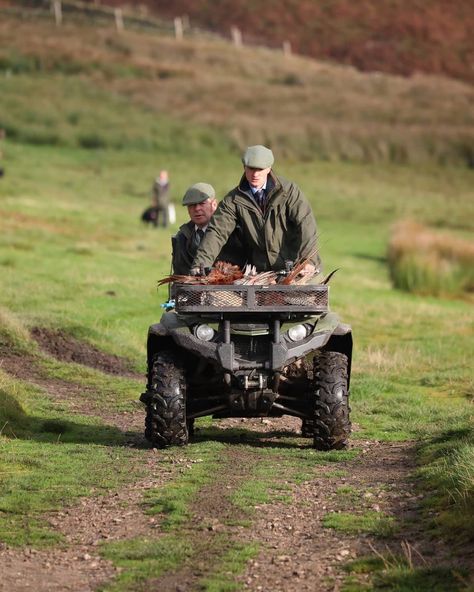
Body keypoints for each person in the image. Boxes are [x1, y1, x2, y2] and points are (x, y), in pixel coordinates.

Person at [191, 145, 321, 276]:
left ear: (269, 169)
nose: (255, 174)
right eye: (251, 169)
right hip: (260, 273)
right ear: (244, 168)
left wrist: (308, 261)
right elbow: (217, 231)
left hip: (296, 270)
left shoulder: (289, 192)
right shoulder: (233, 200)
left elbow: (306, 224)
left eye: (260, 169)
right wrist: (201, 264)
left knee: (307, 295)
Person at [172, 182, 247, 275]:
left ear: (214, 204)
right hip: (191, 288)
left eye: (202, 203)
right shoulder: (181, 238)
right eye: (192, 205)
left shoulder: (235, 234)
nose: (197, 209)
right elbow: (178, 274)